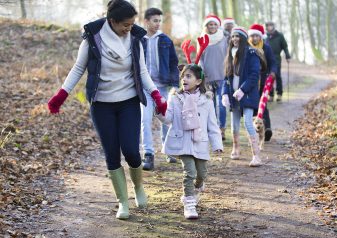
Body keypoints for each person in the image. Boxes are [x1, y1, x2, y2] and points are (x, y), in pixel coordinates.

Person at [47, 0, 167, 220]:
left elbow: (142, 72)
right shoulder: (93, 38)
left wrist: (156, 95)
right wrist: (61, 95)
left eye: (132, 24)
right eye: (125, 25)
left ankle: (139, 187)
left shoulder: (135, 39)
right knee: (112, 154)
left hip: (129, 102)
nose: (129, 28)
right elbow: (77, 69)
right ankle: (122, 202)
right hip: (102, 105)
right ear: (112, 21)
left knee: (131, 150)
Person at [156, 64, 223, 219]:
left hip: (200, 142)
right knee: (189, 172)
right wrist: (160, 110)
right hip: (182, 142)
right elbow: (168, 118)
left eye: (188, 76)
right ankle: (189, 203)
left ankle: (197, 188)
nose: (184, 79)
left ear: (198, 81)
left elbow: (212, 125)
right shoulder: (175, 98)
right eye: (183, 76)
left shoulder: (207, 101)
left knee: (202, 174)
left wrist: (217, 144)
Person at [140, 7, 180, 171]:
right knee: (145, 119)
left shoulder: (165, 40)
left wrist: (176, 85)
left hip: (162, 86)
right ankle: (148, 154)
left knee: (166, 119)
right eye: (155, 20)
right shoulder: (138, 40)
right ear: (146, 21)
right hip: (144, 88)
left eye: (159, 21)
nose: (157, 24)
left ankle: (168, 149)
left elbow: (173, 63)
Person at [222, 27, 263, 167]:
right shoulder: (229, 54)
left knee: (247, 122)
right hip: (233, 97)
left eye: (237, 36)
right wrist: (224, 94)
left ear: (243, 38)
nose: (234, 39)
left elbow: (254, 76)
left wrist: (242, 90)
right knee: (234, 125)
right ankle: (236, 148)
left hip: (247, 96)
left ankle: (256, 155)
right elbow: (226, 77)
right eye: (233, 37)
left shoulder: (251, 53)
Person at [198, 14, 229, 140]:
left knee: (221, 105)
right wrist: (202, 74)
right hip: (208, 77)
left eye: (215, 24)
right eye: (210, 24)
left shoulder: (224, 38)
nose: (212, 26)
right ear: (206, 26)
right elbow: (200, 58)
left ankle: (222, 129)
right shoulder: (202, 38)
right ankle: (213, 129)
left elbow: (228, 56)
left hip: (222, 75)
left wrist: (228, 72)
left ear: (218, 25)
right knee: (210, 105)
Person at [248, 23, 277, 141]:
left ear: (260, 37)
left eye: (257, 36)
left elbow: (273, 62)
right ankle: (254, 130)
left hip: (263, 80)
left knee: (262, 104)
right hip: (250, 81)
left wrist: (273, 72)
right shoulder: (246, 47)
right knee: (253, 106)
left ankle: (267, 129)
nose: (255, 38)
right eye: (253, 36)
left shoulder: (266, 47)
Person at [265, 21, 291, 102]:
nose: (269, 27)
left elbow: (285, 47)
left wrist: (287, 56)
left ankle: (279, 94)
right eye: (268, 26)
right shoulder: (265, 37)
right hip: (266, 59)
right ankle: (271, 94)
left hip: (276, 59)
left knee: (277, 76)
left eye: (271, 25)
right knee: (268, 77)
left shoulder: (280, 36)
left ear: (273, 26)